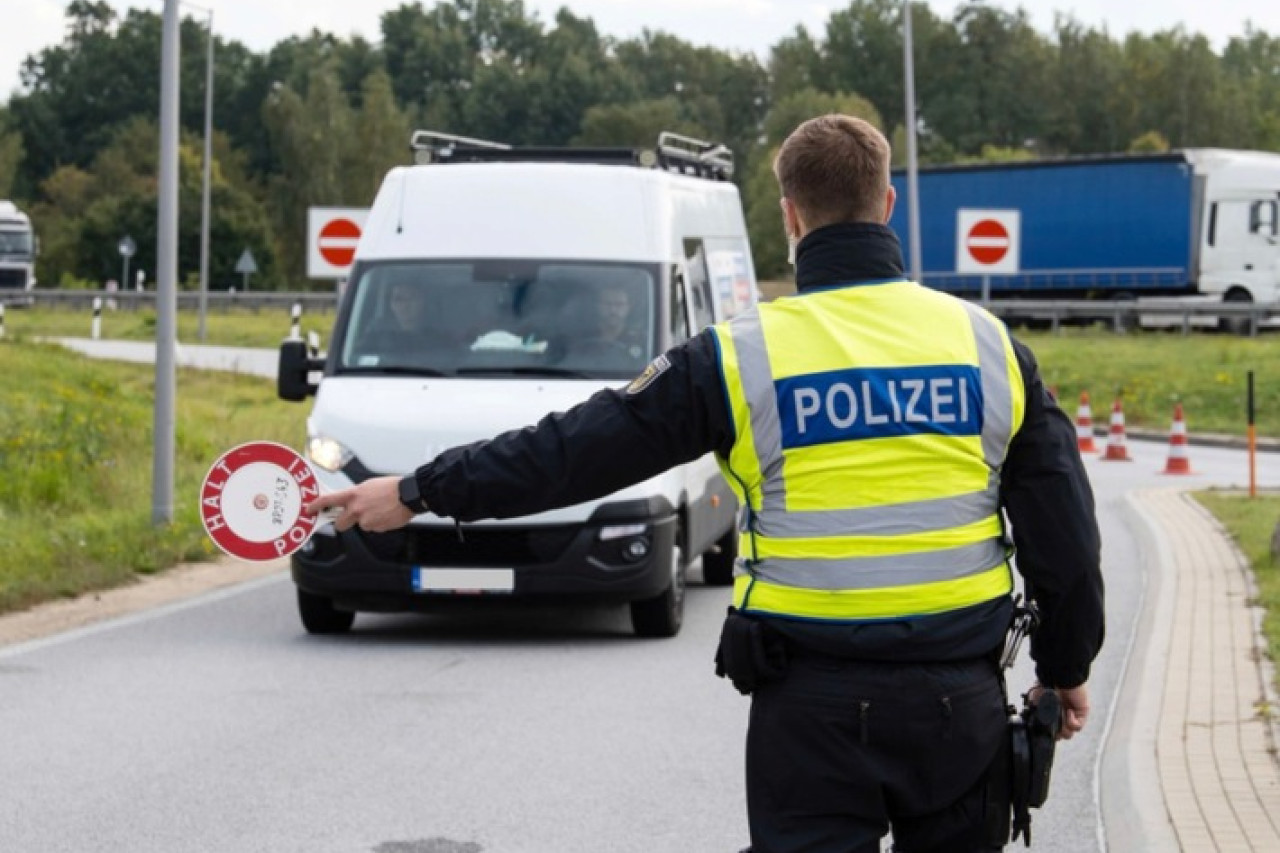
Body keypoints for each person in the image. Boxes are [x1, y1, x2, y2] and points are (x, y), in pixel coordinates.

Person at [307, 114, 1104, 853]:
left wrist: (415, 490)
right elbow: (1064, 540)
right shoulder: (989, 347)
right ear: (887, 204)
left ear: (790, 216)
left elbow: (569, 452)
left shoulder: (737, 355)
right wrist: (1066, 666)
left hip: (811, 713)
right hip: (955, 704)